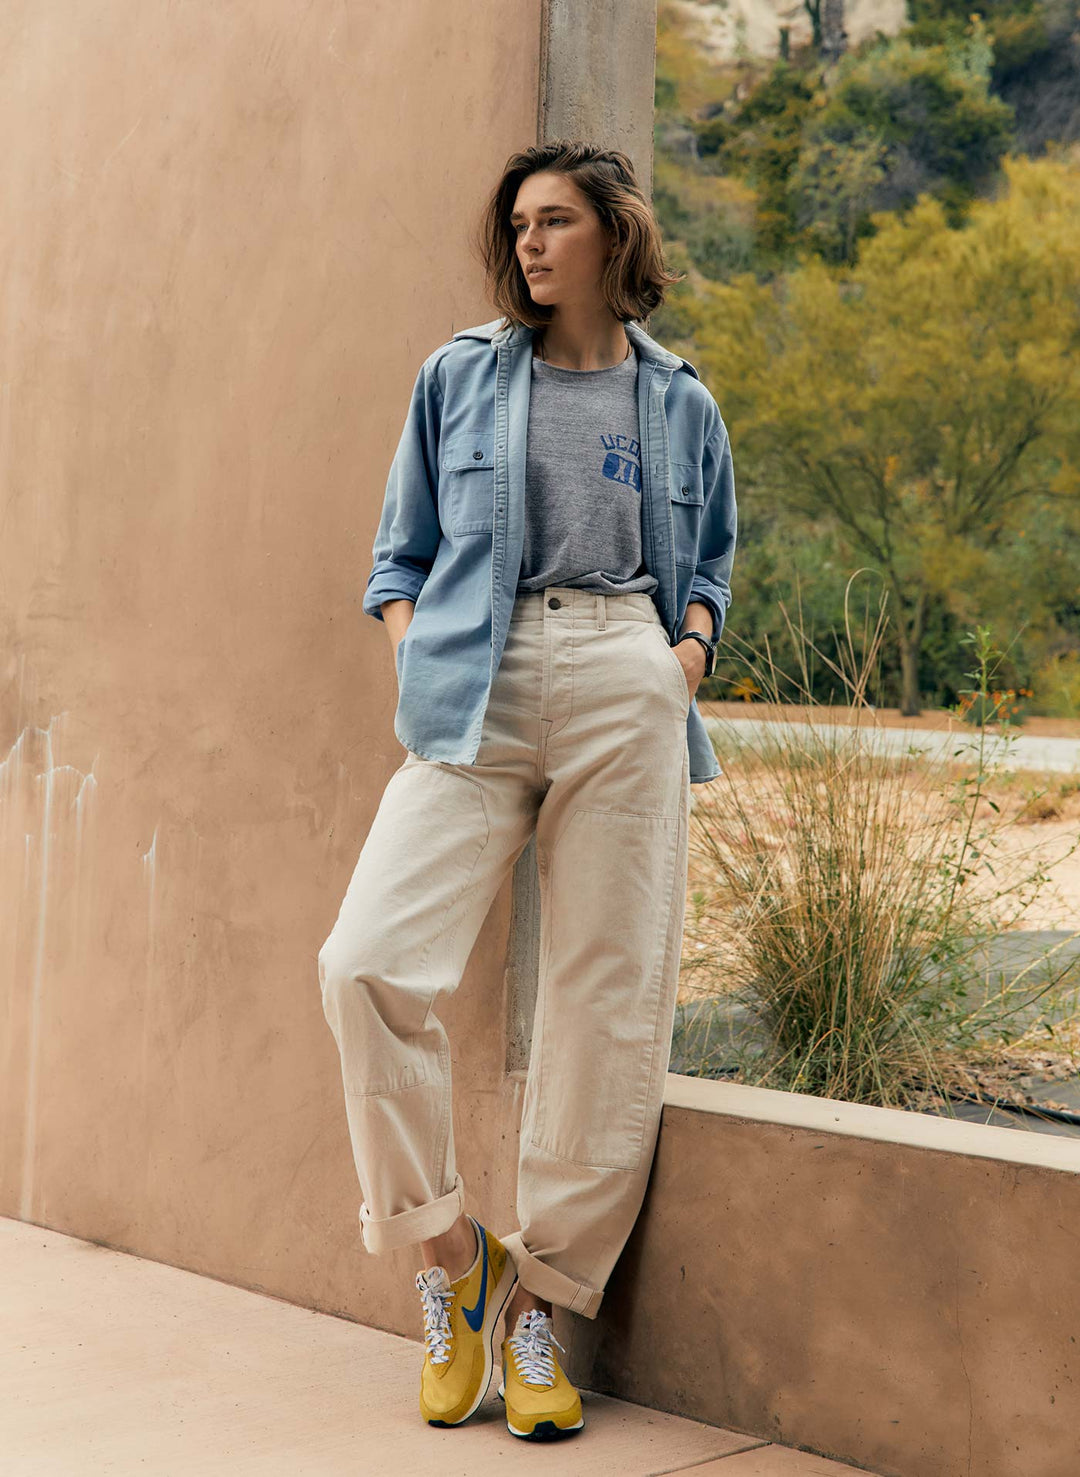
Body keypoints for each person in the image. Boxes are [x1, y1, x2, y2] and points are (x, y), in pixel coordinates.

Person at [318, 139, 737, 1443]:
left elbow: (713, 559)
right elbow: (402, 554)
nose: (530, 244)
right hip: (478, 682)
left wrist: (681, 663)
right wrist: (418, 658)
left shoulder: (680, 404)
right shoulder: (458, 376)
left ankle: (546, 1304)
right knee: (365, 962)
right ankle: (454, 1259)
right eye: (518, 226)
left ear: (614, 234)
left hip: (625, 666)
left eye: (555, 221)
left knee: (606, 999)